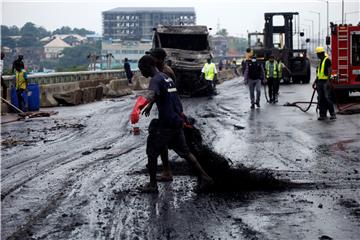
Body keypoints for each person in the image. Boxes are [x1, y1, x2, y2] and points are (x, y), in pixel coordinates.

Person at [130, 55, 213, 193]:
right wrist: (181, 116)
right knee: (185, 152)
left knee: (151, 152)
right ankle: (205, 177)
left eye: (141, 69)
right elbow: (173, 98)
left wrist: (138, 107)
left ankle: (152, 185)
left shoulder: (155, 80)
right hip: (176, 120)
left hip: (166, 123)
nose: (141, 73)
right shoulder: (165, 77)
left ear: (148, 67)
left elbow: (151, 94)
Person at [145, 47, 176, 182]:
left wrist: (149, 102)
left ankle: (167, 171)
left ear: (158, 59)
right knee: (166, 144)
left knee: (180, 148)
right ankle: (166, 170)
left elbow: (164, 92)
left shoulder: (165, 73)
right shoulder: (161, 71)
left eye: (152, 57)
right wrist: (151, 104)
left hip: (169, 113)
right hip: (166, 111)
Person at [313, 46, 336, 121]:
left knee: (327, 98)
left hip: (325, 82)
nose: (317, 55)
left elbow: (329, 71)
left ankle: (332, 114)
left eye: (317, 54)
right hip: (319, 82)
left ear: (320, 53)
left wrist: (328, 81)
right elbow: (319, 73)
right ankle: (322, 114)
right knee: (321, 98)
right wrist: (315, 81)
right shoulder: (321, 61)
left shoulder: (327, 60)